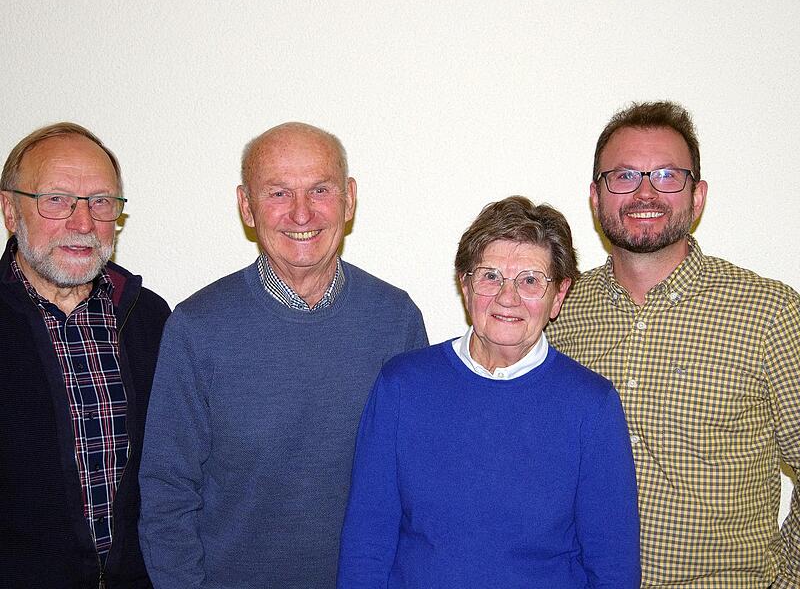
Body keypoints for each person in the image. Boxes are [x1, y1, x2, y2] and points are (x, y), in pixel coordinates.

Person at [138, 122, 428, 588]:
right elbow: (167, 493)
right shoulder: (196, 329)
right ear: (246, 206)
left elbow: (417, 482)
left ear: (349, 198)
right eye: (277, 193)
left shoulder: (396, 320)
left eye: (320, 189)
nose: (301, 213)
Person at [547, 101, 800, 588]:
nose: (645, 192)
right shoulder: (560, 312)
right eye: (623, 176)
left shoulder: (769, 313)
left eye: (666, 175)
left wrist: (785, 578)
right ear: (595, 197)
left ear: (697, 196)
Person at [337, 196, 641, 588]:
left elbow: (613, 566)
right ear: (466, 286)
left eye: (531, 280)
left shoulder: (591, 406)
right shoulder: (402, 386)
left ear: (558, 296)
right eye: (491, 276)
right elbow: (366, 543)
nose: (507, 297)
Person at [0, 123, 170, 588]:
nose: (82, 223)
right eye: (56, 199)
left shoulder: (149, 318)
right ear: (10, 210)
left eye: (100, 202)